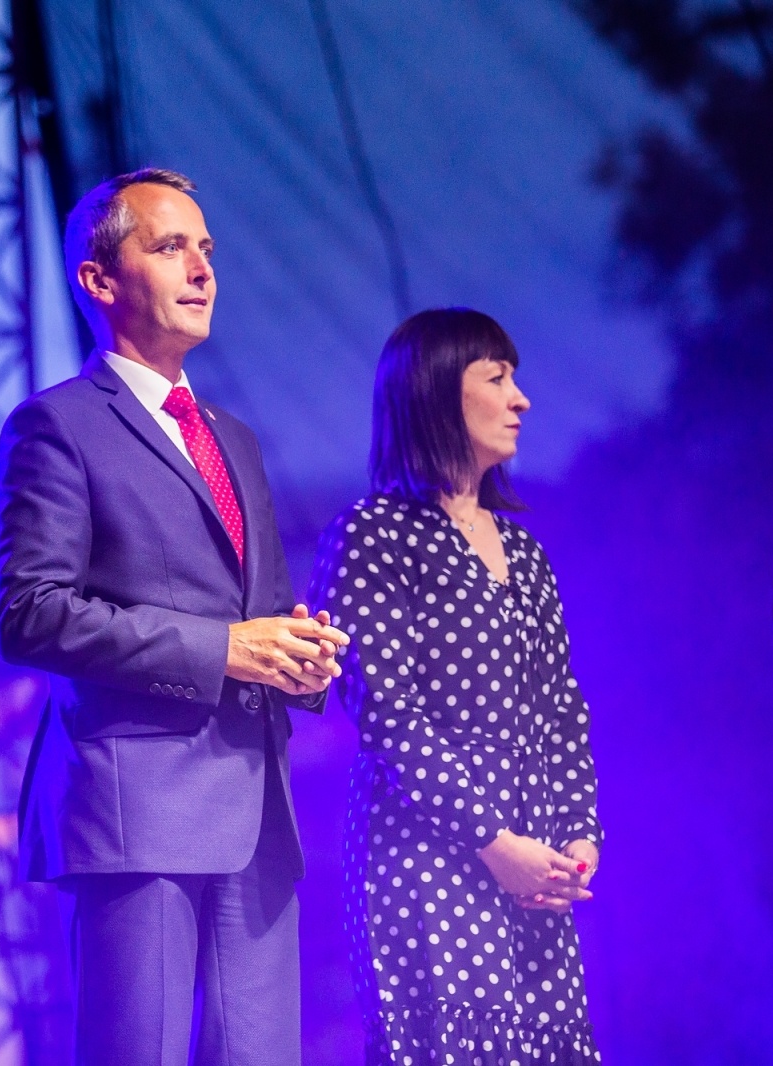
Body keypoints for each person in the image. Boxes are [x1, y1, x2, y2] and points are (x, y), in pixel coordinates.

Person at [0, 167, 348, 1066]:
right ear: (99, 280)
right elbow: (29, 612)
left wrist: (297, 657)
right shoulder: (56, 426)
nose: (202, 269)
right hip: (136, 812)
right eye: (170, 246)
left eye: (207, 249)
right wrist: (223, 649)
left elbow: (259, 614)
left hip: (257, 812)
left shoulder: (234, 438)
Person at [307, 309, 601, 1064]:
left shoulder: (525, 552)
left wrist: (577, 836)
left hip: (533, 858)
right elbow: (387, 715)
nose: (520, 398)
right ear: (436, 393)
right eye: (496, 378)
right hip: (427, 855)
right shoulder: (373, 534)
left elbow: (562, 708)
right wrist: (492, 842)